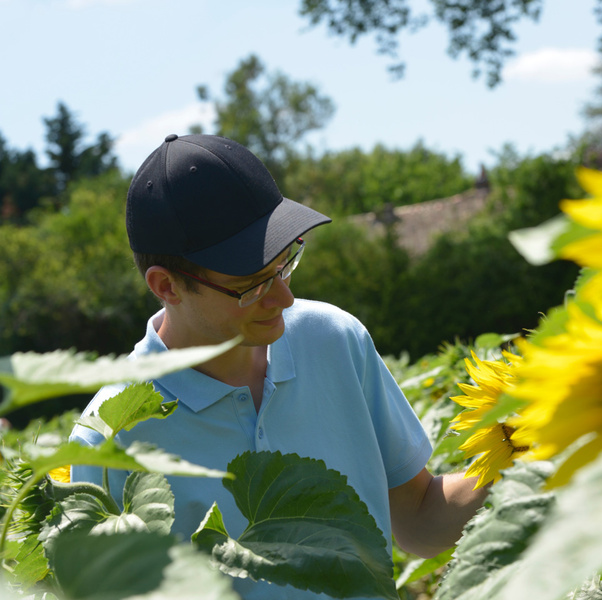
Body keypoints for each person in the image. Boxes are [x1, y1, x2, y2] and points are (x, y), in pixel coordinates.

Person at [70, 134, 488, 599]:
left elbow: (416, 520)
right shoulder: (108, 440)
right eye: (250, 284)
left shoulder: (334, 340)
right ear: (167, 285)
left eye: (285, 264)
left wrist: (521, 450)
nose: (284, 297)